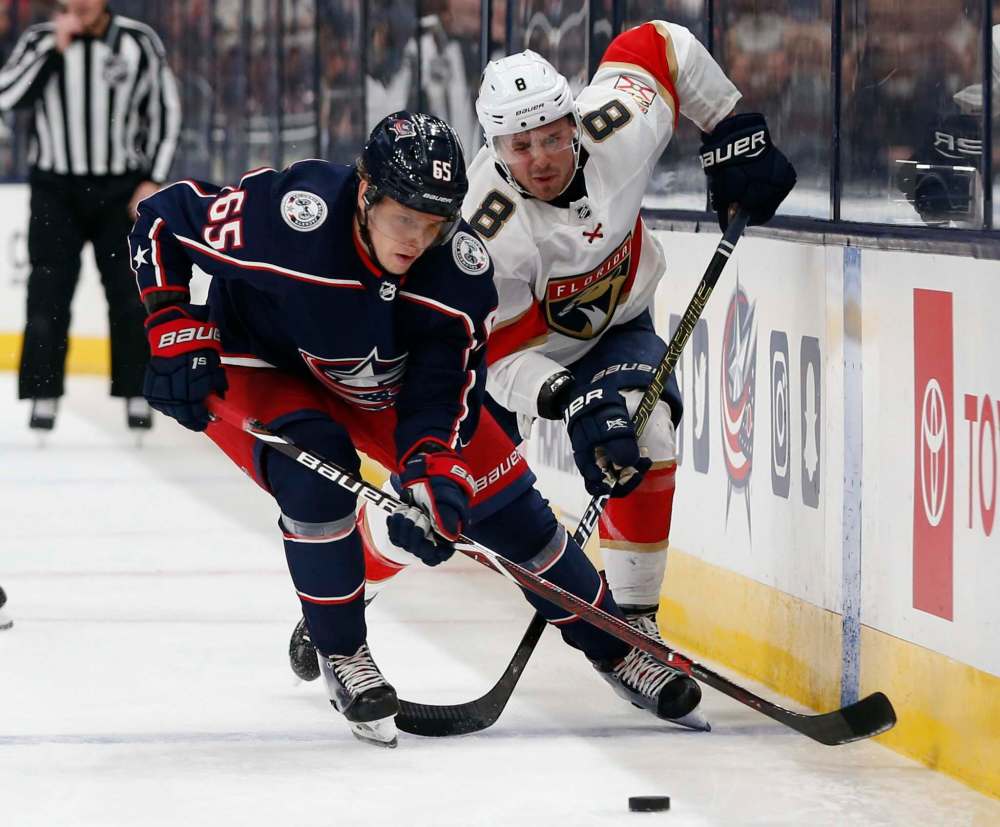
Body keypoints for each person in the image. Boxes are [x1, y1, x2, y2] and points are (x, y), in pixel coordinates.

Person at [130, 111, 706, 749]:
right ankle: (343, 654)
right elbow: (161, 219)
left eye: (434, 223)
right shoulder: (295, 215)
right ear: (366, 193)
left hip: (386, 388)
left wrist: (431, 477)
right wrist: (168, 322)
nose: (416, 239)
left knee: (514, 521)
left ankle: (616, 647)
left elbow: (440, 398)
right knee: (317, 474)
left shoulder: (458, 271)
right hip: (266, 361)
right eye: (404, 218)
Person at [456, 21, 793, 666]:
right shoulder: (484, 231)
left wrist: (727, 123)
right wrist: (564, 398)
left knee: (645, 436)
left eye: (553, 136)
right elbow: (492, 355)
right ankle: (357, 581)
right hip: (512, 360)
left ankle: (635, 625)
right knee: (433, 518)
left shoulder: (618, 124)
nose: (541, 159)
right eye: (519, 146)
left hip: (617, 325)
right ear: (494, 146)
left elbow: (662, 44)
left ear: (574, 122)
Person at [0, 0, 181, 431]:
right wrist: (53, 49)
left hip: (119, 189)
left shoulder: (138, 41)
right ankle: (43, 393)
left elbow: (165, 112)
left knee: (130, 294)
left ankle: (139, 392)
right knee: (47, 291)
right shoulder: (40, 40)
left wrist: (152, 180)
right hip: (55, 189)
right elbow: (7, 96)